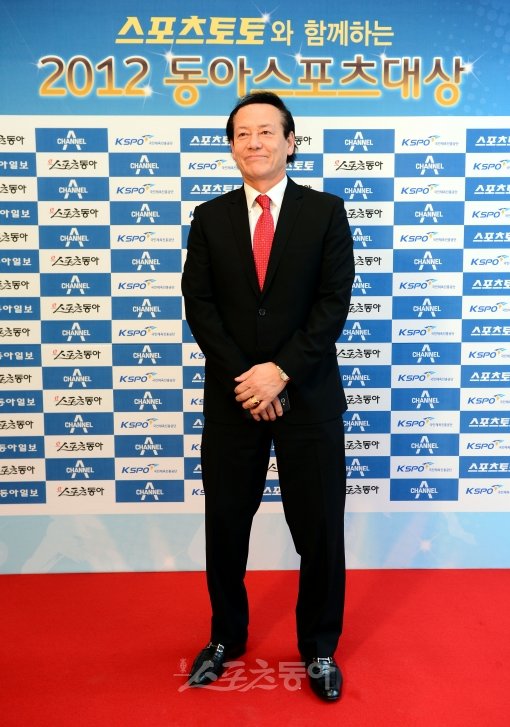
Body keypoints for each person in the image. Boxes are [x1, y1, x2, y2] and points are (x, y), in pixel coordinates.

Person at [181, 91, 354, 702]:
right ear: (232, 146)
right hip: (235, 400)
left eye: (265, 132)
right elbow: (199, 305)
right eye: (241, 134)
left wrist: (280, 372)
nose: (253, 143)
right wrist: (249, 379)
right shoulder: (209, 217)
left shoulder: (325, 212)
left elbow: (333, 303)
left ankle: (320, 647)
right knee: (226, 526)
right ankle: (225, 637)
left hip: (308, 397)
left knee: (320, 531)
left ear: (290, 141)